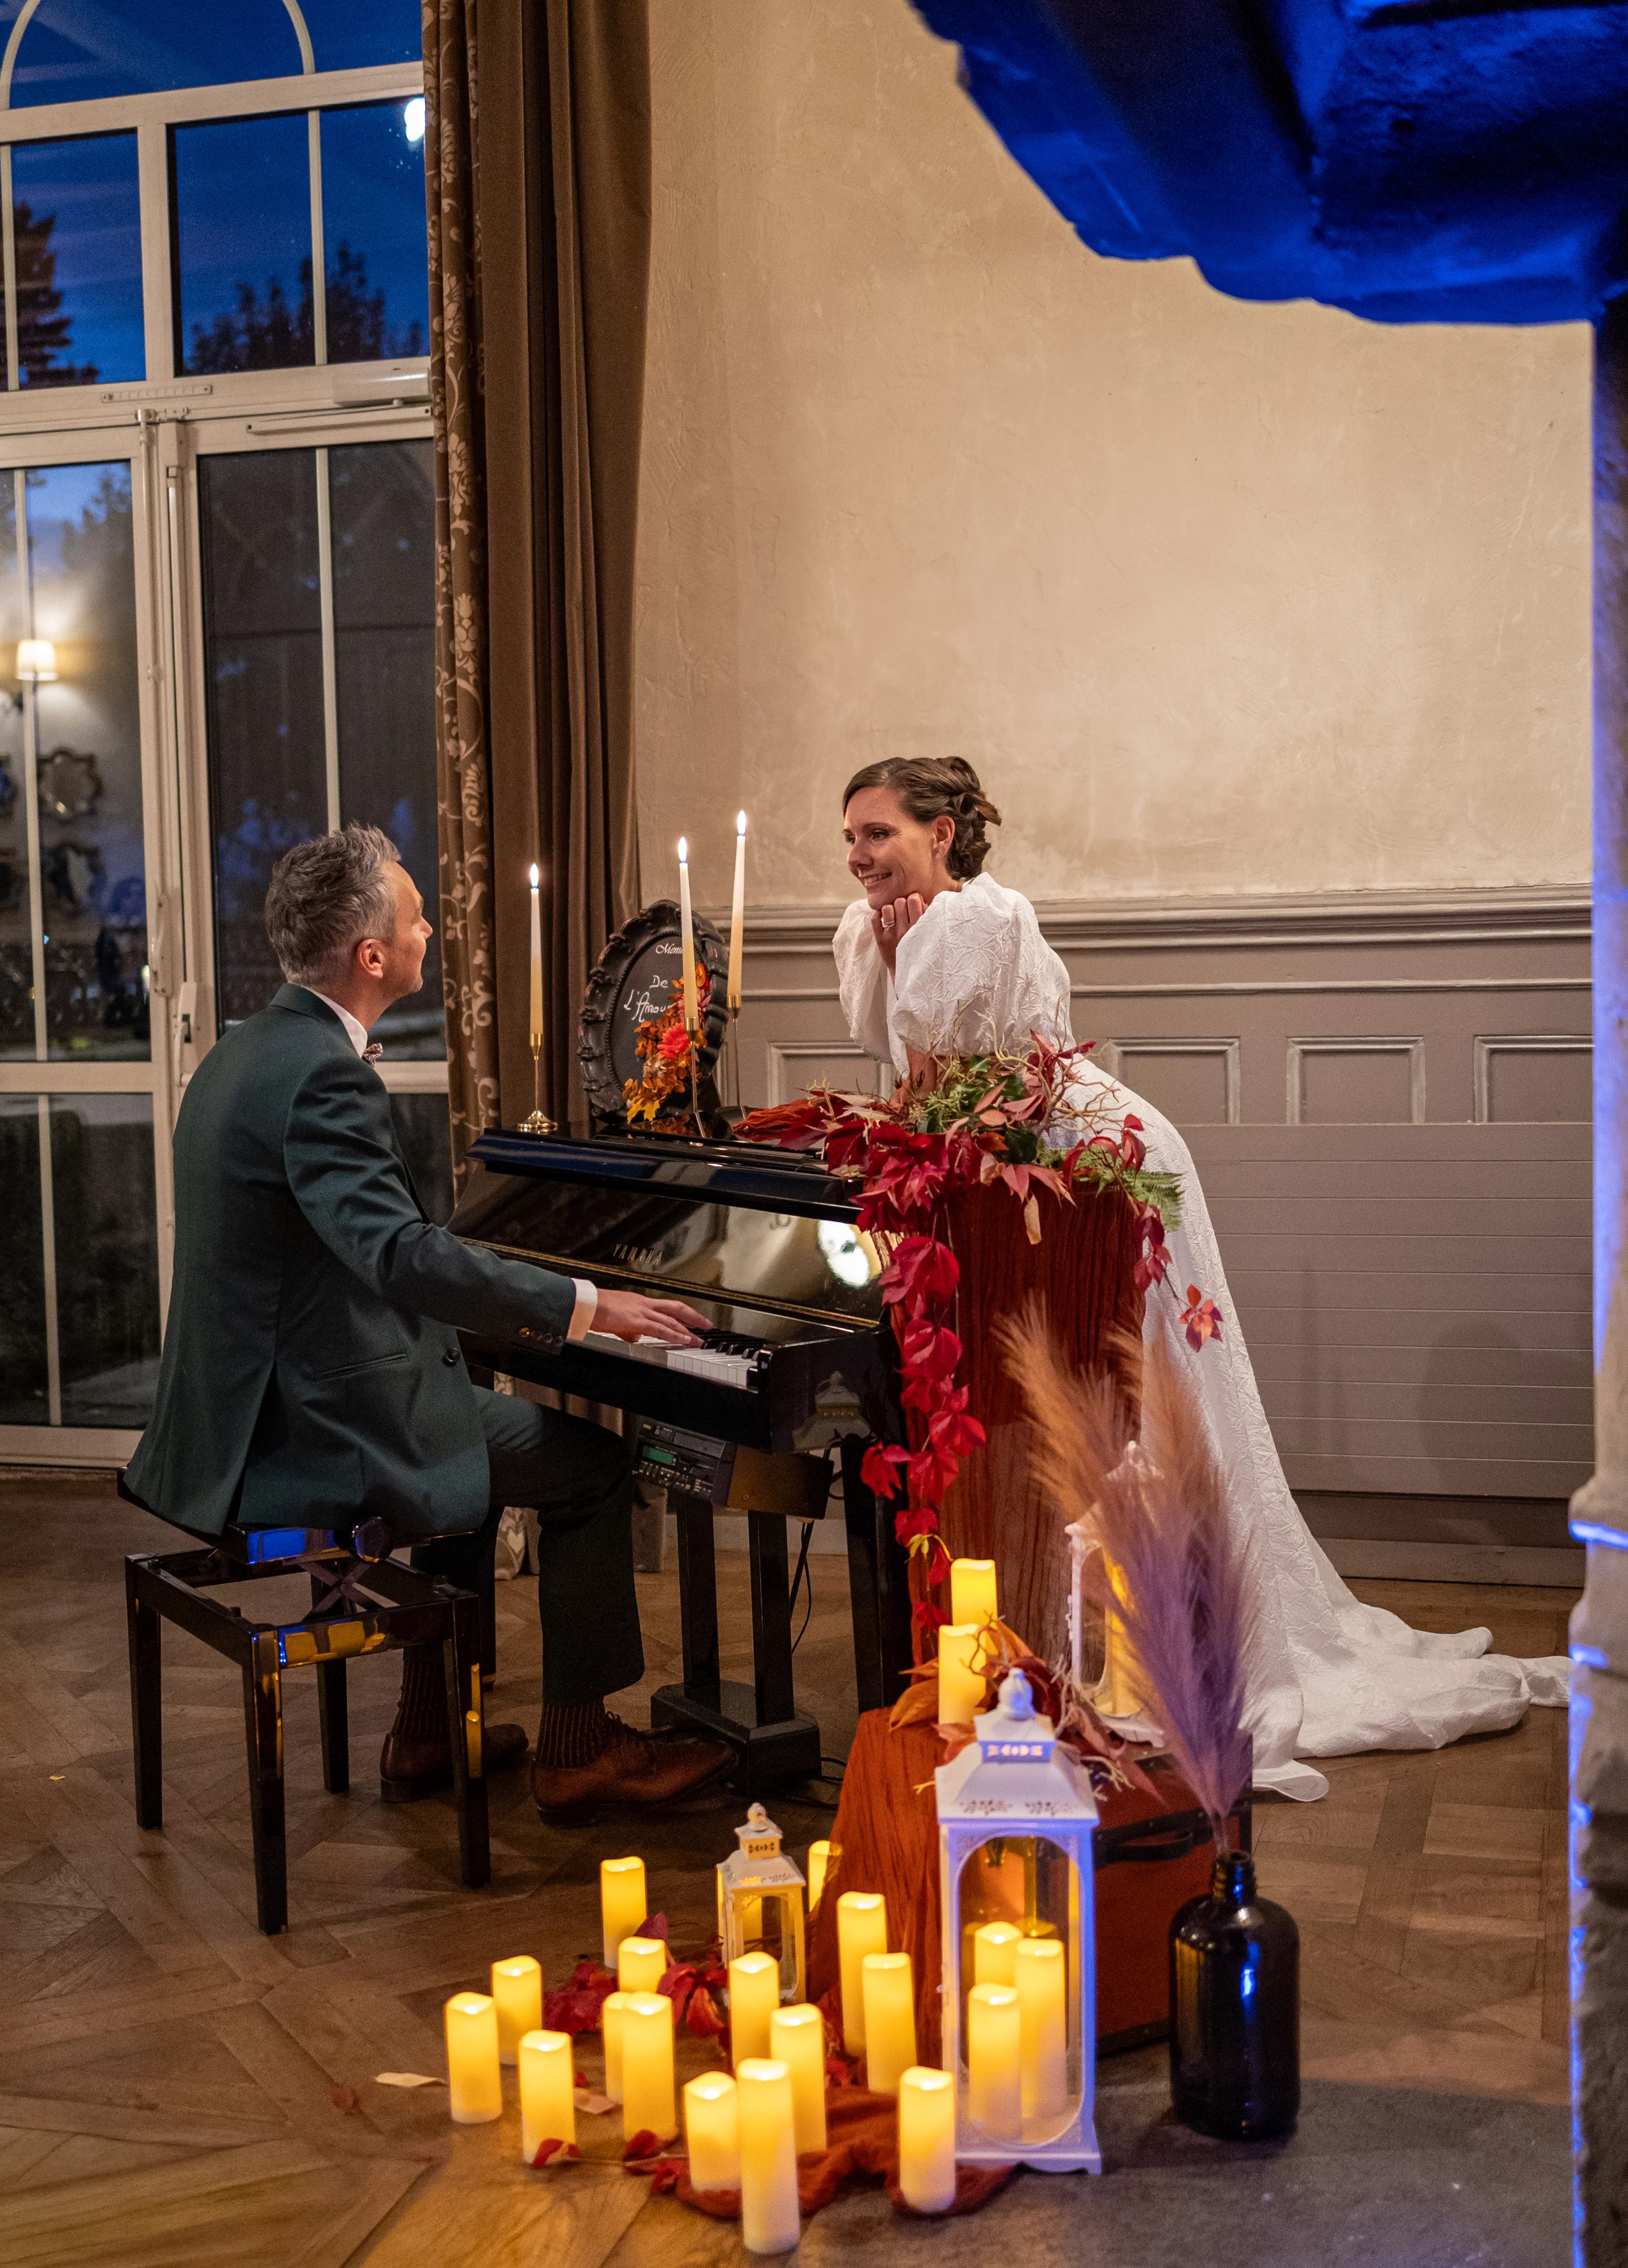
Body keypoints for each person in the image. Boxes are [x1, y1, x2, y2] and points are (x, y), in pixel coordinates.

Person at [833, 755, 1569, 1801]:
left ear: (941, 834)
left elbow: (967, 1072)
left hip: (1095, 1157)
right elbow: (908, 1072)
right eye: (851, 838)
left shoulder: (981, 916)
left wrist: (922, 1045)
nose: (861, 856)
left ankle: (1169, 1634)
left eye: (880, 834)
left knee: (1159, 1379)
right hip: (1014, 1169)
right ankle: (1056, 1627)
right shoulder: (865, 928)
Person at [123, 825, 732, 1817]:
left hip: (240, 1408)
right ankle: (581, 1748)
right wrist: (588, 1300)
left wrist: (501, 1309)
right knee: (588, 1466)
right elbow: (402, 1254)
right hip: (303, 1428)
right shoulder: (324, 1072)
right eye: (414, 917)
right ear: (372, 955)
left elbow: (355, 1254)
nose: (429, 929)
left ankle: (427, 1726)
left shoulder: (243, 1052)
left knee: (465, 1411)